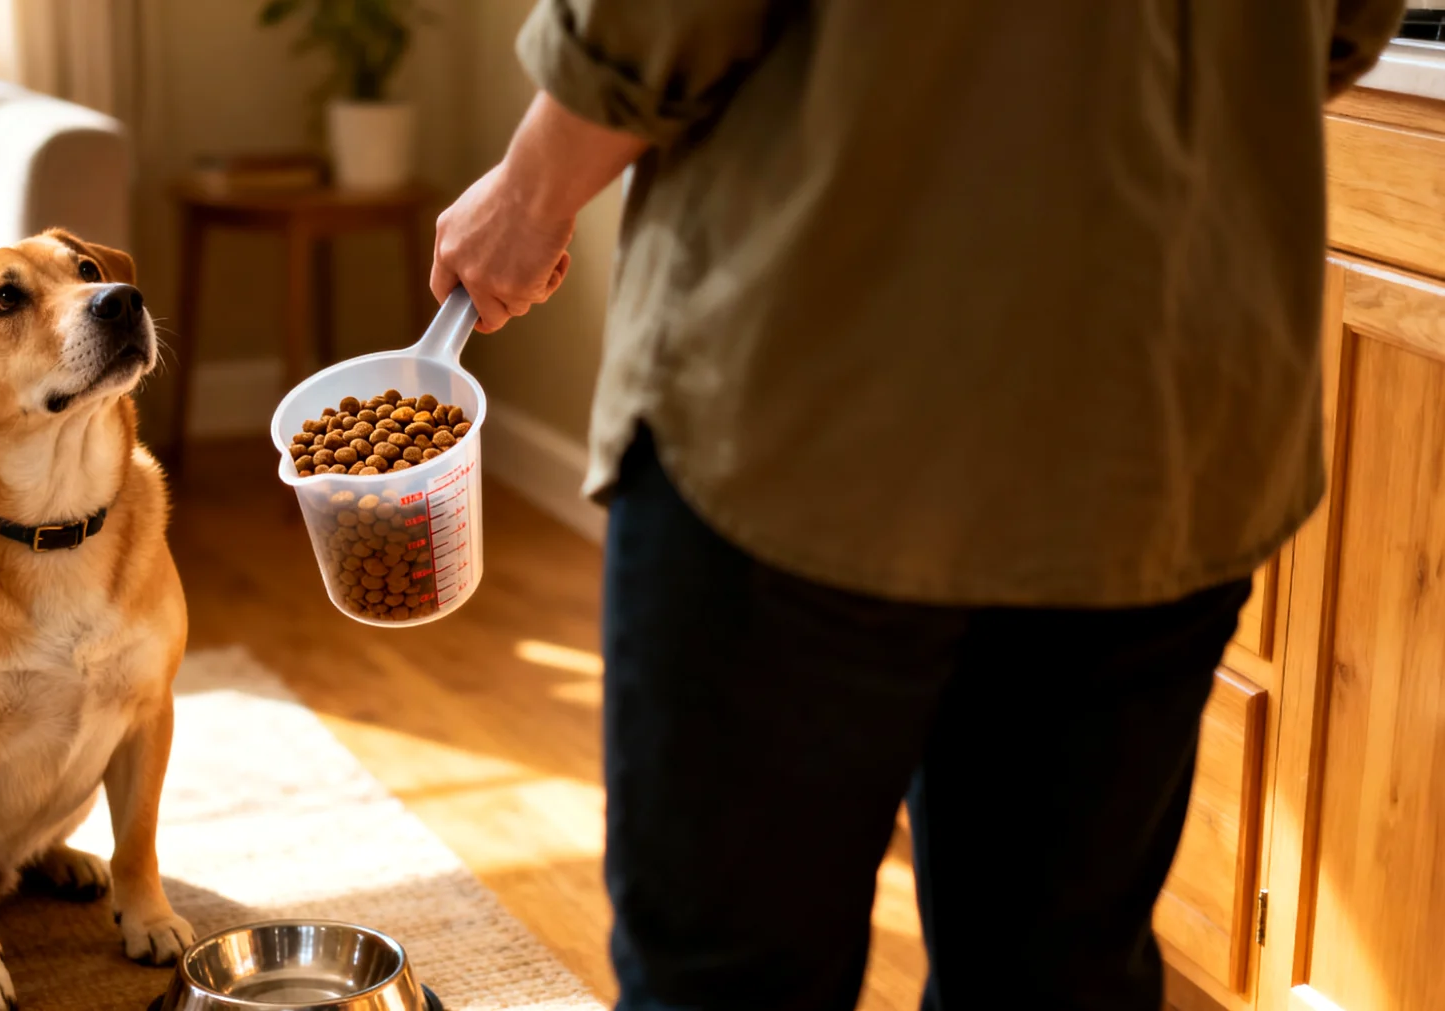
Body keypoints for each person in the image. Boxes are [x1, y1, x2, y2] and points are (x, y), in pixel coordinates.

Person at [428, 3, 1405, 1010]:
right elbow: (1345, 30)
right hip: (1168, 406)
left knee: (733, 982)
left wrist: (531, 193)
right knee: (1055, 978)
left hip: (818, 400)